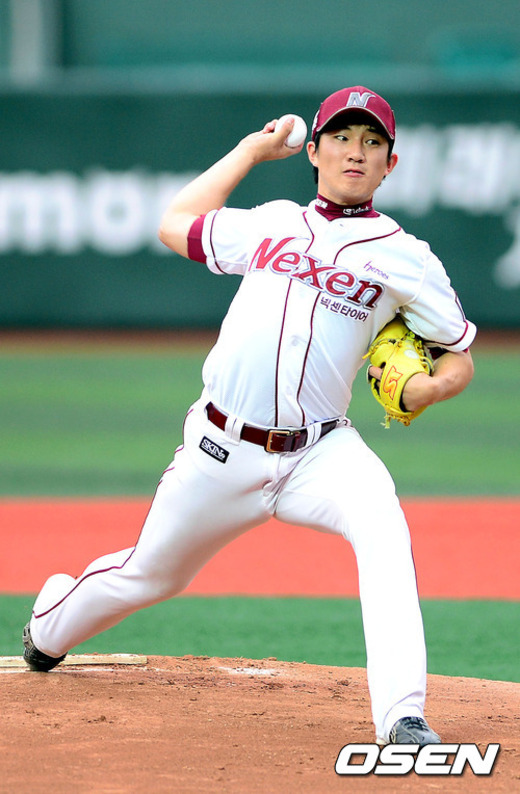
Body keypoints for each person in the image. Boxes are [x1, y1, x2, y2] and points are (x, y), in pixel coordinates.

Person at [23, 86, 475, 747]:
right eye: (342, 137)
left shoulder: (409, 258)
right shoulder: (272, 222)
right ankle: (49, 627)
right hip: (221, 448)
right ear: (314, 151)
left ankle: (401, 717)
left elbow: (458, 354)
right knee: (151, 574)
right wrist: (248, 152)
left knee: (383, 526)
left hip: (319, 451)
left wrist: (430, 389)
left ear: (390, 163)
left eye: (371, 141)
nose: (355, 151)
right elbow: (175, 222)